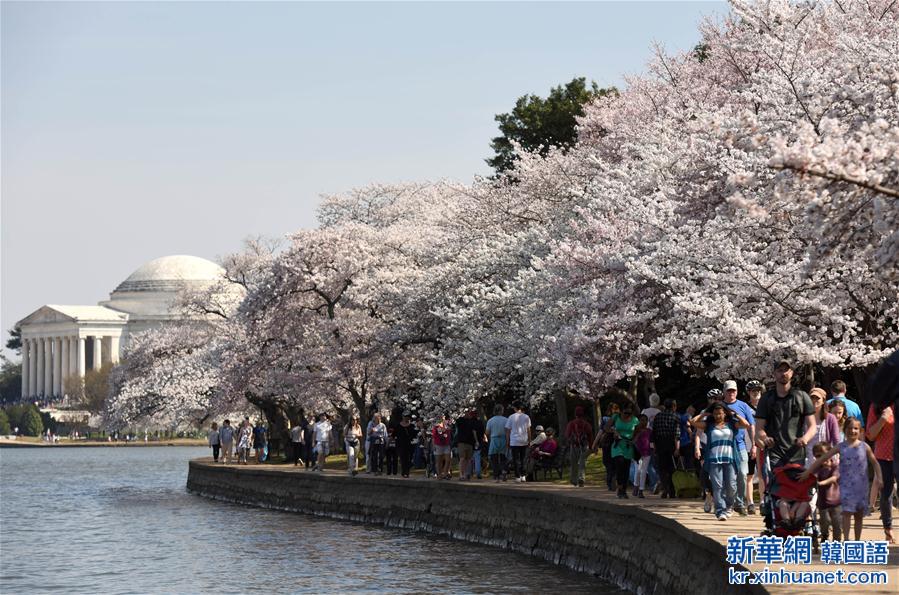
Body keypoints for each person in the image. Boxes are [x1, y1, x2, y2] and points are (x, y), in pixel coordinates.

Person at [802, 418, 883, 541]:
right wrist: (807, 472)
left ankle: (857, 540)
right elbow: (821, 459)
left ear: (860, 431)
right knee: (846, 515)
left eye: (855, 428)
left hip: (861, 487)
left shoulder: (865, 446)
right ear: (844, 430)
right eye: (849, 428)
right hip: (845, 487)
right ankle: (846, 539)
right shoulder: (840, 446)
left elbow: (875, 463)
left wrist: (880, 478)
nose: (852, 431)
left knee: (858, 517)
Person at [690, 402, 751, 521]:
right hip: (714, 460)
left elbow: (746, 424)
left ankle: (729, 506)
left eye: (720, 413)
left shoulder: (732, 424)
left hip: (730, 459)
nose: (718, 416)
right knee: (717, 486)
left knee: (731, 486)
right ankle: (720, 511)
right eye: (715, 413)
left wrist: (735, 415)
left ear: (724, 414)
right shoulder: (709, 425)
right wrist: (704, 414)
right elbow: (692, 422)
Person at [754, 360, 816, 467]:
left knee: (795, 483)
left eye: (786, 370)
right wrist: (765, 438)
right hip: (775, 454)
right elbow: (759, 428)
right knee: (778, 483)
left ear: (791, 373)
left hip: (797, 454)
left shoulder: (802, 396)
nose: (783, 373)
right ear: (774, 374)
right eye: (780, 370)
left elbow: (812, 425)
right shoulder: (766, 398)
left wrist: (805, 438)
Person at [722, 380, 755, 516]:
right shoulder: (719, 406)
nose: (731, 393)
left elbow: (751, 426)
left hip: (740, 445)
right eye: (729, 391)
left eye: (733, 391)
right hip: (724, 446)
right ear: (724, 391)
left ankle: (740, 502)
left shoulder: (743, 406)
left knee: (742, 473)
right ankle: (730, 503)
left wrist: (753, 445)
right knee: (728, 478)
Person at [866, 401, 895, 543]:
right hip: (884, 456)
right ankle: (888, 529)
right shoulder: (877, 405)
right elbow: (870, 435)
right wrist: (883, 419)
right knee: (886, 494)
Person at [606, 401, 639, 499]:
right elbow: (606, 427)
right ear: (621, 412)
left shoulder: (635, 420)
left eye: (629, 413)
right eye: (625, 413)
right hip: (618, 445)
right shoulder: (616, 417)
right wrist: (613, 431)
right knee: (620, 463)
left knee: (626, 468)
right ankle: (619, 487)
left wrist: (634, 440)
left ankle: (623, 490)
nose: (627, 415)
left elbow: (638, 432)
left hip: (628, 445)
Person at [812, 442, 842, 542]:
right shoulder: (817, 468)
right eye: (817, 456)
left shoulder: (835, 467)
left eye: (823, 454)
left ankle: (836, 542)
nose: (821, 458)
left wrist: (820, 483)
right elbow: (812, 477)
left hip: (837, 502)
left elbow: (834, 478)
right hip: (823, 502)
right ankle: (824, 536)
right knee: (824, 522)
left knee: (837, 523)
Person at [651, 398, 680, 499]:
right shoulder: (675, 416)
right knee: (672, 469)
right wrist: (677, 448)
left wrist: (654, 447)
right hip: (671, 444)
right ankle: (672, 491)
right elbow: (677, 434)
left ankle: (665, 488)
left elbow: (653, 433)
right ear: (673, 406)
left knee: (662, 469)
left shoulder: (658, 416)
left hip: (660, 444)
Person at [745, 380, 764, 511]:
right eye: (753, 391)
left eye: (758, 390)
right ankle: (750, 502)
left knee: (763, 473)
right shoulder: (745, 408)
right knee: (749, 474)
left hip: (763, 443)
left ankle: (763, 501)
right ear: (749, 393)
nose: (756, 393)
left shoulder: (766, 406)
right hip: (748, 443)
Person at [594, 403, 620, 491]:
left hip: (607, 443)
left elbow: (600, 433)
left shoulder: (605, 419)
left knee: (607, 463)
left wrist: (594, 444)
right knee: (615, 463)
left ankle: (610, 482)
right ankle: (615, 478)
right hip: (617, 443)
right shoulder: (620, 419)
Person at [565, 406, 594, 488]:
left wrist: (570, 442)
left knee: (574, 463)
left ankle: (574, 480)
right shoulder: (586, 424)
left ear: (575, 414)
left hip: (574, 445)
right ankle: (581, 478)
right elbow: (590, 436)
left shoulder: (571, 424)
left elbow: (567, 435)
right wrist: (591, 446)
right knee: (582, 462)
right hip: (584, 446)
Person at [505, 403, 532, 483]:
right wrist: (529, 440)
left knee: (516, 459)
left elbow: (508, 431)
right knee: (523, 458)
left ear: (515, 408)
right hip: (524, 440)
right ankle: (523, 476)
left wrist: (507, 441)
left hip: (514, 441)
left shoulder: (511, 417)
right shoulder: (526, 417)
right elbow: (528, 430)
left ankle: (517, 476)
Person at [455, 410, 480, 480]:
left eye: (468, 412)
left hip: (470, 442)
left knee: (468, 459)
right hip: (462, 442)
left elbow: (473, 431)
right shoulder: (459, 420)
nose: (468, 413)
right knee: (462, 458)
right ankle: (461, 474)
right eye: (466, 412)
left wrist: (476, 441)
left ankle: (465, 473)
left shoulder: (471, 421)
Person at [486, 404, 508, 482]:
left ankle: (496, 475)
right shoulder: (506, 420)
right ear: (501, 411)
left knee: (494, 458)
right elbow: (508, 431)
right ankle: (504, 470)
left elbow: (487, 432)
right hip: (503, 439)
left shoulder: (491, 420)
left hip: (494, 439)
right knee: (503, 457)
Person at [633, 414, 652, 498]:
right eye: (642, 420)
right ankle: (635, 485)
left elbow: (651, 441)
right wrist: (638, 434)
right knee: (638, 470)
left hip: (647, 453)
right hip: (637, 453)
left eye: (645, 420)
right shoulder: (635, 429)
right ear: (639, 420)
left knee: (643, 471)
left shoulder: (649, 430)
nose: (644, 422)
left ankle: (641, 490)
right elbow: (633, 441)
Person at [395, 412, 417, 478]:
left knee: (409, 458)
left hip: (410, 444)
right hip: (401, 444)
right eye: (405, 416)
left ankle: (407, 471)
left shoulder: (412, 426)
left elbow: (415, 434)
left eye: (407, 416)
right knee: (403, 458)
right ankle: (404, 471)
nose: (406, 418)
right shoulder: (398, 426)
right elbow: (395, 434)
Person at [432, 414, 453, 479]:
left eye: (443, 417)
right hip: (438, 445)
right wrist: (433, 446)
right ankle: (439, 474)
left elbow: (449, 435)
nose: (443, 419)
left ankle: (445, 473)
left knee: (448, 460)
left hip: (447, 445)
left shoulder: (447, 426)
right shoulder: (436, 427)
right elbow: (433, 437)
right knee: (439, 461)